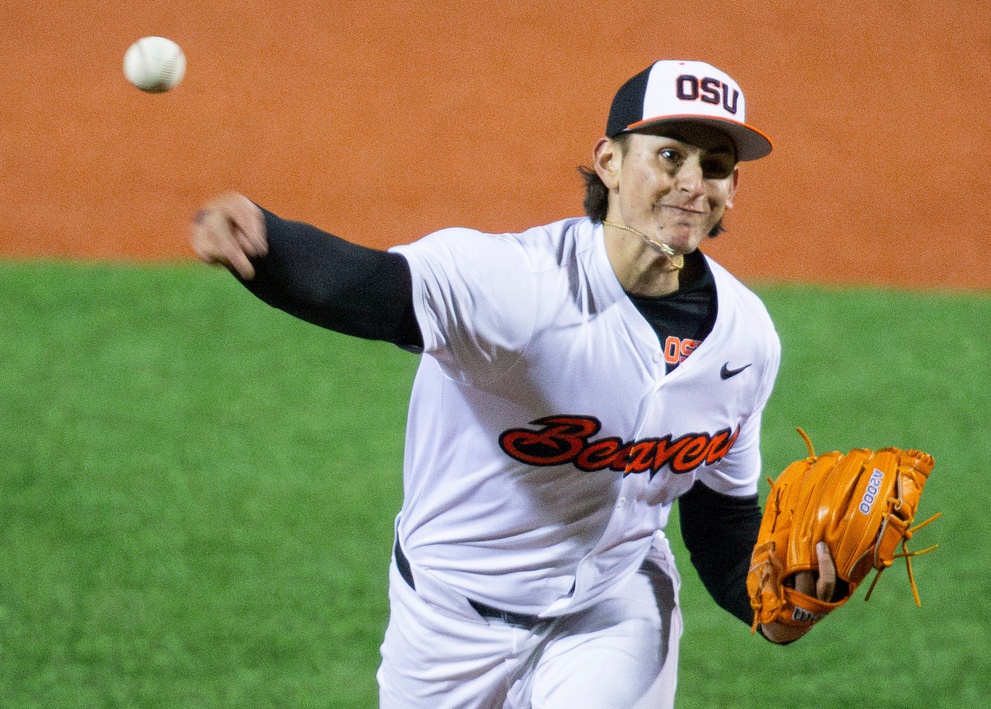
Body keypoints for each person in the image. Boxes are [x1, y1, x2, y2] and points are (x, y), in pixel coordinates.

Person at [191, 59, 836, 708]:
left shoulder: (746, 337)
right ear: (609, 162)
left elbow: (721, 517)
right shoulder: (519, 287)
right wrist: (264, 240)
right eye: (670, 155)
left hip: (615, 615)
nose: (693, 183)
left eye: (716, 165)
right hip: (449, 623)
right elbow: (364, 287)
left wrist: (781, 593)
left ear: (733, 188)